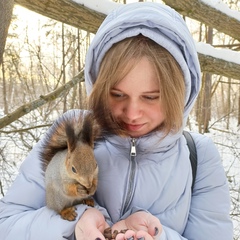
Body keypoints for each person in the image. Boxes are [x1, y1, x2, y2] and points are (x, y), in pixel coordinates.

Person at [0, 2, 233, 240]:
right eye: (117, 94)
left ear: (178, 95)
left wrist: (158, 236)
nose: (132, 114)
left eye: (151, 97)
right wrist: (76, 222)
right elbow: (7, 224)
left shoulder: (200, 157)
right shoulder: (72, 133)